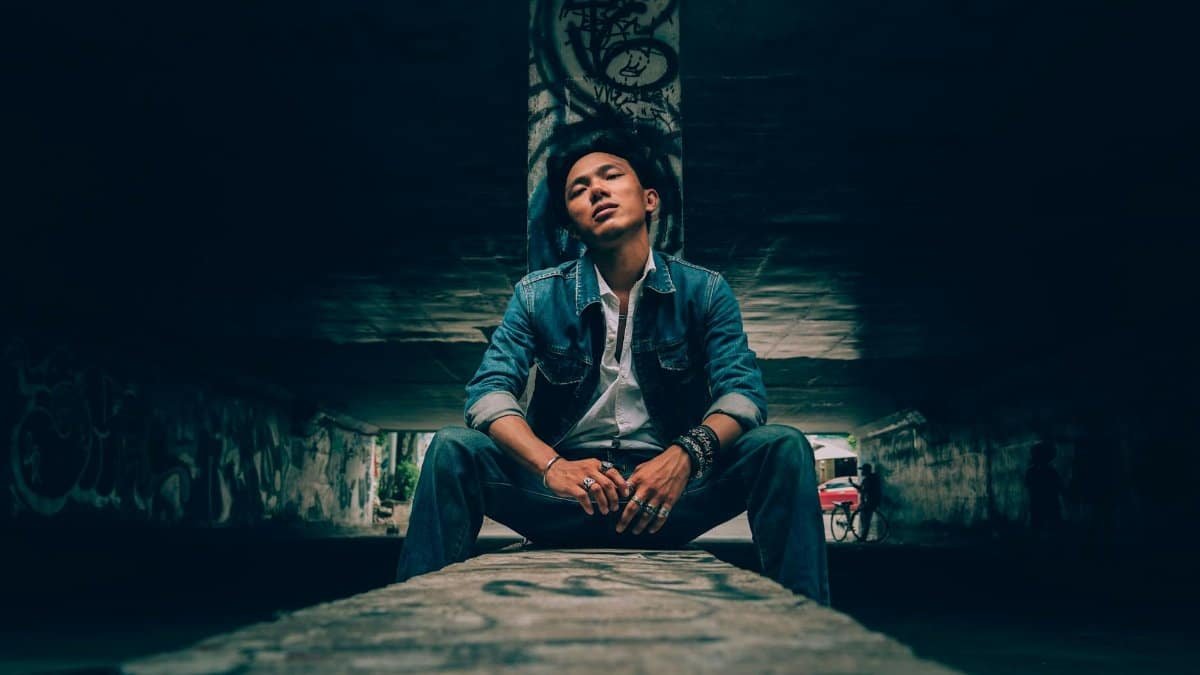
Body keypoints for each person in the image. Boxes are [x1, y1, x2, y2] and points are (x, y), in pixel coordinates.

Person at [395, 129, 829, 604]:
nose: (595, 190)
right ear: (573, 224)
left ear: (649, 199)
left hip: (664, 497)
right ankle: (414, 610)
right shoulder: (538, 294)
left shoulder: (704, 291)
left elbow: (742, 395)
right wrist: (552, 466)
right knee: (453, 447)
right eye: (578, 190)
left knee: (782, 446)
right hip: (564, 494)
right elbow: (488, 394)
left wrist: (684, 457)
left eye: (610, 176)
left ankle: (807, 615)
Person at [1025, 441, 1063, 538]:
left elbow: (1028, 485)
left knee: (1041, 531)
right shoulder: (1050, 471)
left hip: (1041, 506)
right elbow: (1059, 487)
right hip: (1046, 506)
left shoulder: (1032, 471)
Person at [850, 463, 882, 539]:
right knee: (864, 519)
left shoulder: (868, 479)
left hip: (869, 502)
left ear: (866, 471)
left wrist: (853, 484)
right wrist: (853, 484)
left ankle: (863, 537)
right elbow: (861, 489)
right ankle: (862, 536)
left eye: (862, 470)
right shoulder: (871, 478)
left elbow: (863, 490)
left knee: (866, 520)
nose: (861, 472)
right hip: (870, 501)